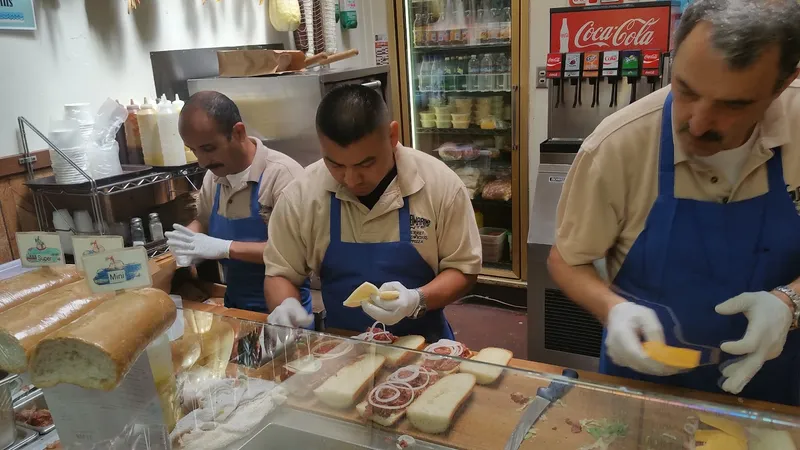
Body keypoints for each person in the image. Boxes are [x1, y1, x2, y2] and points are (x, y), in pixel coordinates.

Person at [548, 0, 800, 406]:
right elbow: (566, 259)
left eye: (733, 105)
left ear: (785, 82)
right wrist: (612, 309)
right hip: (644, 386)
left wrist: (791, 302)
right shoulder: (617, 146)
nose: (698, 123)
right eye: (686, 90)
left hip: (775, 389)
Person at [262, 84, 482, 342]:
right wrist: (284, 306)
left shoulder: (440, 185)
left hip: (425, 347)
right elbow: (280, 272)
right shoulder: (301, 195)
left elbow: (464, 270)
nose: (352, 179)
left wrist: (416, 300)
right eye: (335, 164)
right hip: (341, 346)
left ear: (392, 135)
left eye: (366, 163)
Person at [166, 91, 312, 315]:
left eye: (208, 148)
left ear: (238, 132)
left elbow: (295, 252)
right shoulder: (214, 177)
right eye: (193, 150)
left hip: (284, 312)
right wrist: (187, 239)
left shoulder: (282, 176)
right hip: (235, 307)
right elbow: (204, 220)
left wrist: (225, 248)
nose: (203, 161)